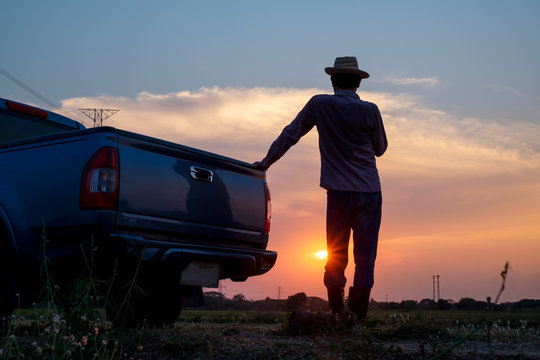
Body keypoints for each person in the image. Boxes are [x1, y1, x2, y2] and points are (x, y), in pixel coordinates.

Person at [255, 56, 387, 320]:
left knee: (336, 253)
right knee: (365, 257)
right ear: (358, 82)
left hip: (337, 193)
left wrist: (266, 162)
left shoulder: (319, 104)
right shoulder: (370, 110)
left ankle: (338, 314)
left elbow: (290, 134)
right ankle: (358, 317)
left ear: (332, 80)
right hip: (369, 192)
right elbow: (380, 149)